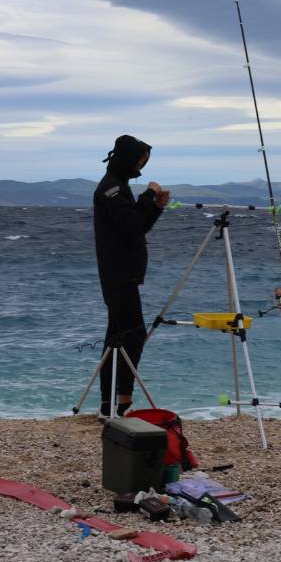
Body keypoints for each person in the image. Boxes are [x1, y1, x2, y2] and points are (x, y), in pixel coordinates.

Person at [93, 134, 169, 419]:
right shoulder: (111, 188)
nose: (141, 168)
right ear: (127, 159)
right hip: (118, 276)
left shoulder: (119, 186)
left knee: (119, 338)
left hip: (124, 275)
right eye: (139, 161)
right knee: (131, 337)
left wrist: (156, 207)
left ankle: (111, 405)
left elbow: (137, 228)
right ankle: (119, 404)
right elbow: (130, 223)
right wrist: (148, 196)